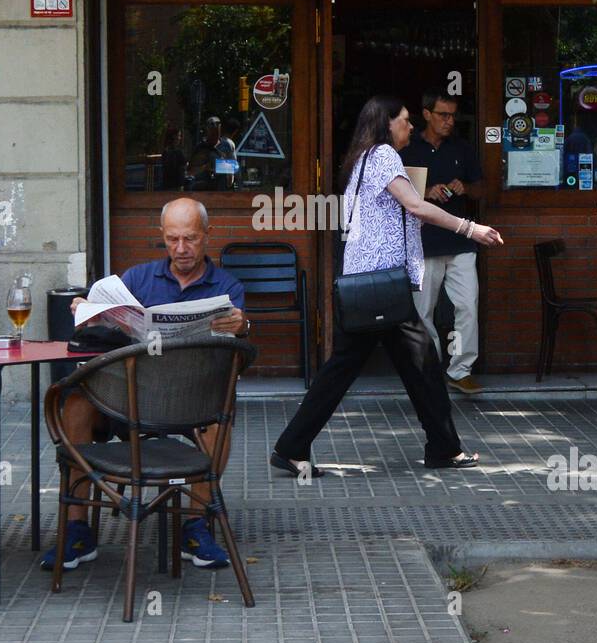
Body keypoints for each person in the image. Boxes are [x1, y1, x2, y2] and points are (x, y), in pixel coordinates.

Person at [271, 96, 504, 477]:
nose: (410, 127)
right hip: (380, 286)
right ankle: (291, 445)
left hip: (373, 283)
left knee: (420, 365)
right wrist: (470, 228)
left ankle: (443, 447)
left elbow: (395, 215)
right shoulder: (382, 155)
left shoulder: (363, 158)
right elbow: (416, 207)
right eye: (405, 120)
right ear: (386, 123)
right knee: (363, 369)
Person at [42, 197, 251, 571]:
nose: (181, 249)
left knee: (220, 419)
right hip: (128, 398)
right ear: (162, 237)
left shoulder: (227, 286)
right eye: (172, 239)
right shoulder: (139, 278)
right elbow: (101, 310)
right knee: (75, 403)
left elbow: (236, 350)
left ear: (207, 235)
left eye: (190, 239)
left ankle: (196, 525)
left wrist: (242, 326)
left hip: (190, 400)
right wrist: (87, 311)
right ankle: (77, 528)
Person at [399, 92, 486, 394]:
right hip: (422, 241)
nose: (449, 121)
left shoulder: (462, 148)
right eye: (442, 115)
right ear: (426, 114)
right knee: (423, 311)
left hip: (460, 240)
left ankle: (460, 370)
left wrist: (465, 188)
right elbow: (393, 196)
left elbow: (480, 190)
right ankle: (430, 370)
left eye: (452, 116)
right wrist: (423, 194)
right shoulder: (407, 149)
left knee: (467, 305)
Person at [186, 116, 236, 190]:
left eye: (217, 132)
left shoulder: (227, 146)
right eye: (212, 131)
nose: (214, 135)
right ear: (207, 130)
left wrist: (228, 174)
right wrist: (205, 167)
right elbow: (190, 172)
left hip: (220, 190)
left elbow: (232, 169)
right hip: (203, 190)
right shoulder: (200, 147)